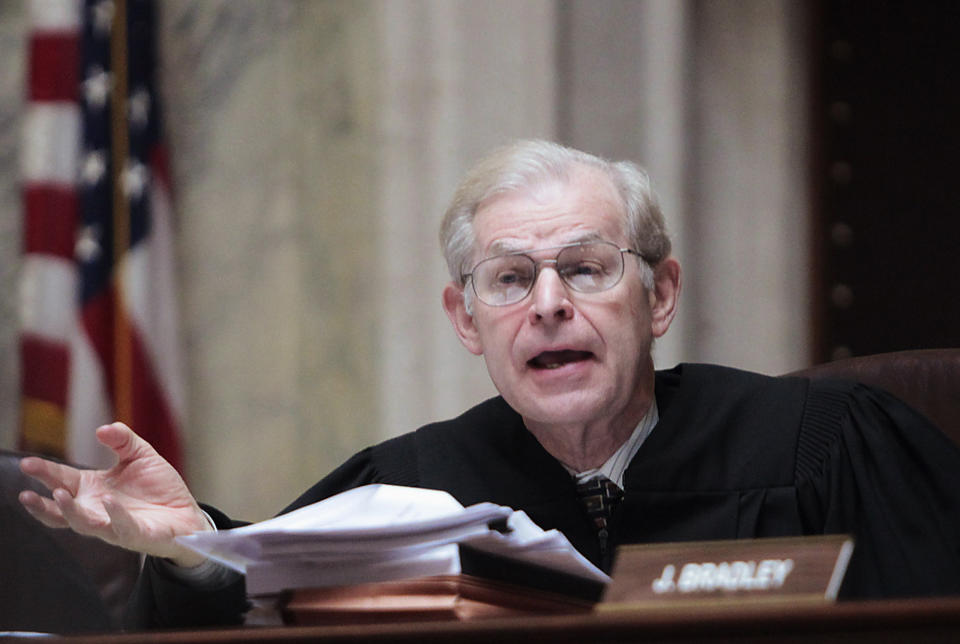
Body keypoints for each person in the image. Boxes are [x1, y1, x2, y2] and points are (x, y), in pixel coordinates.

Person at [18, 140, 960, 629]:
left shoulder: (828, 446)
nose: (547, 304)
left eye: (587, 267)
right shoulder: (405, 486)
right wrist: (193, 546)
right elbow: (263, 619)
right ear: (467, 320)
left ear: (660, 294)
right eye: (510, 278)